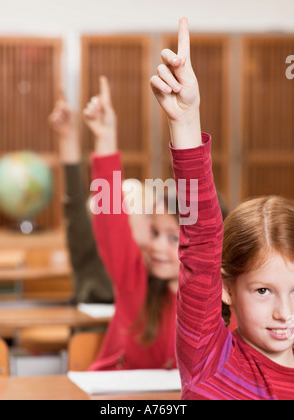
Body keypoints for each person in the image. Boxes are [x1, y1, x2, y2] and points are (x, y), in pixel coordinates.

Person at [150, 17, 294, 400]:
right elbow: (201, 240)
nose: (284, 313)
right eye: (263, 290)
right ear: (227, 289)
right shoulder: (210, 356)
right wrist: (185, 120)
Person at [83, 76, 180, 371]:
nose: (156, 245)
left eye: (173, 238)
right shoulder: (134, 280)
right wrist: (106, 138)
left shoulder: (224, 304)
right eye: (154, 232)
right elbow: (110, 219)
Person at [48, 96, 114, 304]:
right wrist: (68, 138)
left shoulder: (149, 267)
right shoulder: (89, 252)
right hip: (89, 326)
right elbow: (75, 203)